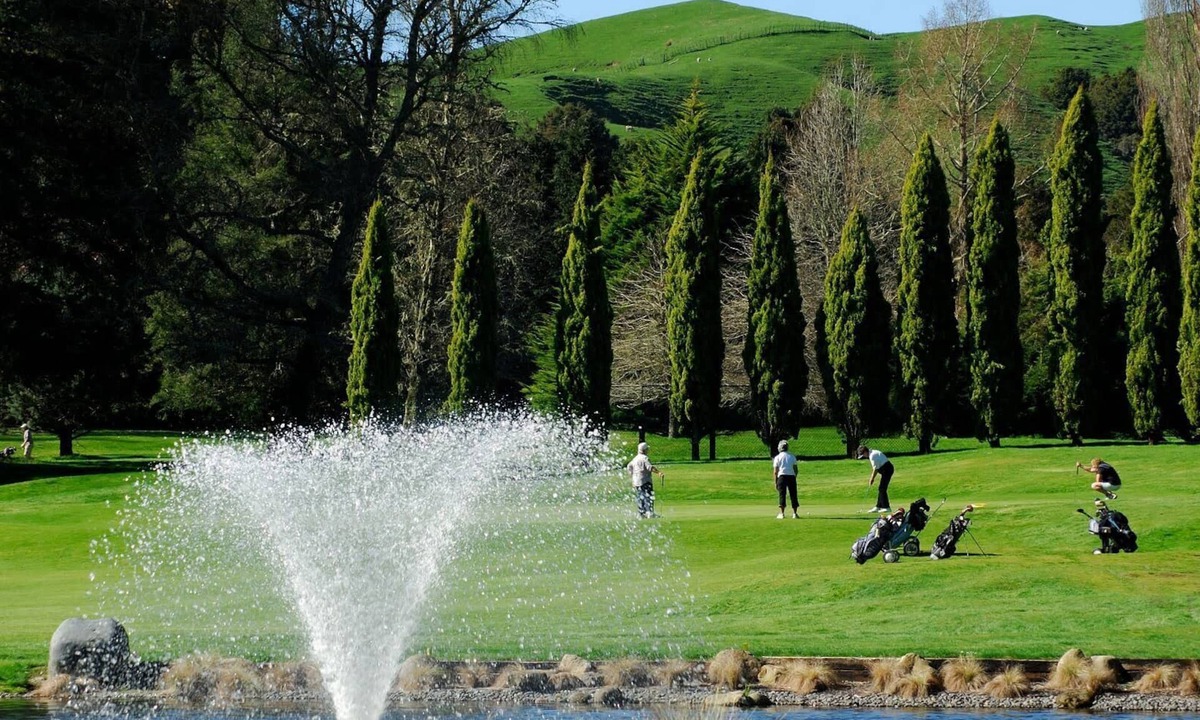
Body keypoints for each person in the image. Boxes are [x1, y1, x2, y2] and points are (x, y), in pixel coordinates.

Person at [627, 442, 664, 518]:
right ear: (645, 450)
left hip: (637, 481)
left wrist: (633, 476)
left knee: (640, 497)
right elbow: (650, 467)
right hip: (645, 480)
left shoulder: (635, 459)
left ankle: (641, 513)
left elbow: (629, 467)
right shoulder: (644, 458)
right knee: (648, 496)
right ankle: (649, 513)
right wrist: (658, 472)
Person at [857, 444, 893, 513]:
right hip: (886, 470)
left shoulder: (872, 456)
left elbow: (875, 469)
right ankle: (878, 506)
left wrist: (872, 479)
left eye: (863, 455)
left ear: (865, 452)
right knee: (881, 488)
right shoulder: (872, 453)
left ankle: (886, 507)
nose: (864, 456)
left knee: (882, 488)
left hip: (888, 470)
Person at [772, 439, 799, 519]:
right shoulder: (792, 456)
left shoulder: (777, 457)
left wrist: (775, 482)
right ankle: (795, 513)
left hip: (782, 477)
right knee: (793, 494)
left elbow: (775, 471)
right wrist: (794, 476)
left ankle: (782, 513)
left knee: (782, 495)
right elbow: (796, 470)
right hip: (791, 476)